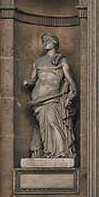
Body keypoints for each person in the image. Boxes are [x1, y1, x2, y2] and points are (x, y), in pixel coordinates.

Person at [23, 32, 77, 160]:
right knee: (44, 127)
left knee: (53, 121)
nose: (45, 42)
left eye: (48, 40)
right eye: (43, 40)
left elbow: (69, 79)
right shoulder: (38, 62)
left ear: (55, 43)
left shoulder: (61, 60)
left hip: (53, 96)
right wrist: (27, 82)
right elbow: (33, 79)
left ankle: (62, 151)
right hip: (38, 98)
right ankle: (49, 152)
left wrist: (73, 88)